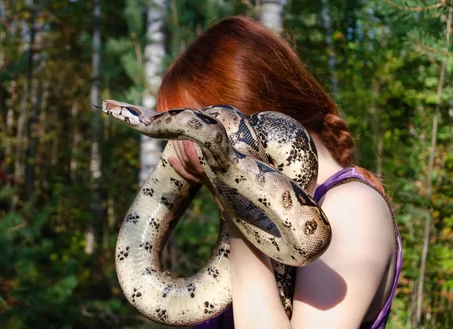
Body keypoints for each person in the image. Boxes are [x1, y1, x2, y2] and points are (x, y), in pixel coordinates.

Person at [155, 17, 402, 329]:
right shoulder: (278, 212)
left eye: (190, 134)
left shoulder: (352, 206)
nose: (183, 150)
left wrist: (236, 203)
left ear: (243, 115)